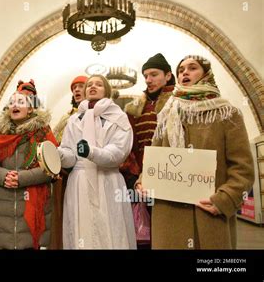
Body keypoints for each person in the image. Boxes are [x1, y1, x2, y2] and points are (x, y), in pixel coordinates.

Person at [135, 55, 255, 249]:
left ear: (206, 74)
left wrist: (224, 200)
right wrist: (143, 180)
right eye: (181, 70)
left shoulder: (226, 113)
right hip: (168, 214)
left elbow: (243, 169)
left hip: (208, 214)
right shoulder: (167, 114)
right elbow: (154, 159)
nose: (185, 73)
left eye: (192, 68)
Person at [58, 74, 136, 249]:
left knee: (111, 228)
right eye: (89, 85)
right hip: (80, 182)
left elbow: (119, 151)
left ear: (107, 91)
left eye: (99, 84)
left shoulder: (119, 117)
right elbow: (70, 153)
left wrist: (92, 152)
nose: (93, 87)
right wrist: (59, 156)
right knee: (82, 229)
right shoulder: (74, 119)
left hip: (107, 179)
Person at [0, 80, 58, 249]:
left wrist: (21, 178)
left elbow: (52, 168)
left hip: (33, 199)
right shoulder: (0, 134)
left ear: (31, 108)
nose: (15, 105)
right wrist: (4, 176)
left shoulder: (42, 132)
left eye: (21, 102)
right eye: (11, 102)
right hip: (5, 198)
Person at [119, 53, 175, 248]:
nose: (148, 80)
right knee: (144, 233)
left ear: (168, 75)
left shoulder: (179, 103)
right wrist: (135, 179)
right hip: (142, 181)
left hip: (173, 178)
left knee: (170, 232)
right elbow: (130, 146)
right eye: (145, 76)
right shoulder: (135, 109)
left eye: (153, 74)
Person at [50, 75, 87, 249]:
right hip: (66, 177)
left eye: (81, 86)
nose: (77, 90)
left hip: (92, 174)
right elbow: (57, 146)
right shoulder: (66, 119)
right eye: (74, 88)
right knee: (69, 217)